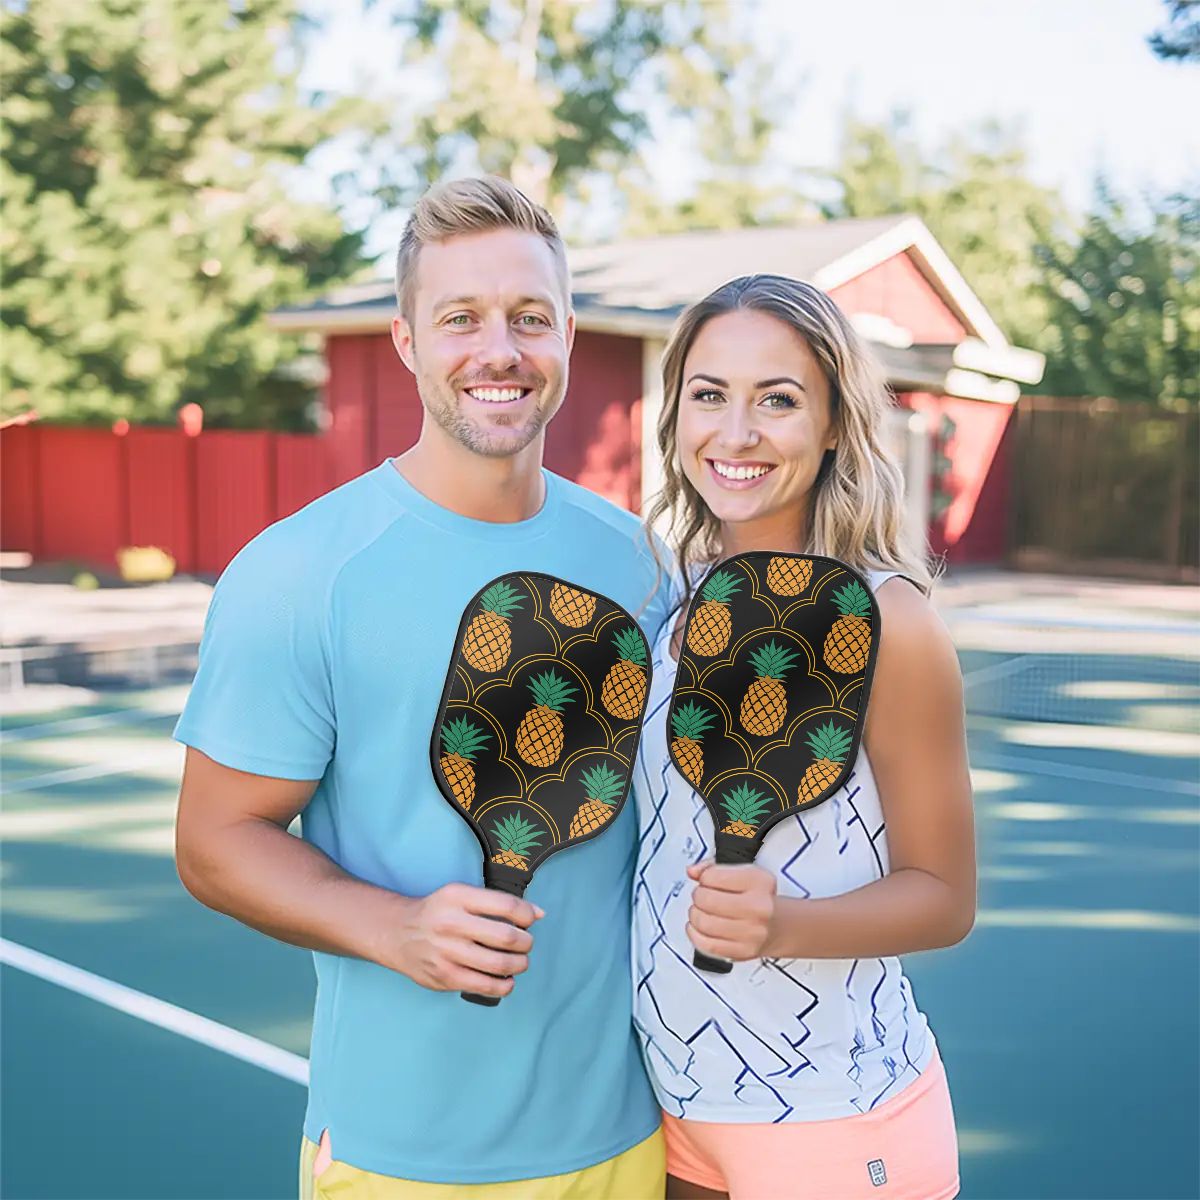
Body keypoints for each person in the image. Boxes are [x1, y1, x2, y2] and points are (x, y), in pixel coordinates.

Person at [174, 176, 670, 1199]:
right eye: (461, 319)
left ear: (568, 335)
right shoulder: (299, 572)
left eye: (530, 318)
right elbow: (215, 841)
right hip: (400, 1157)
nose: (500, 350)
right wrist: (394, 929)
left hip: (630, 1139)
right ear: (406, 340)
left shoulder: (640, 564)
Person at [632, 275, 975, 1200]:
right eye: (709, 395)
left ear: (833, 426)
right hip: (667, 1114)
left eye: (777, 401)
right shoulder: (673, 603)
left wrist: (786, 926)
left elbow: (943, 898)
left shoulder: (888, 620)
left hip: (836, 1119)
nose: (735, 433)